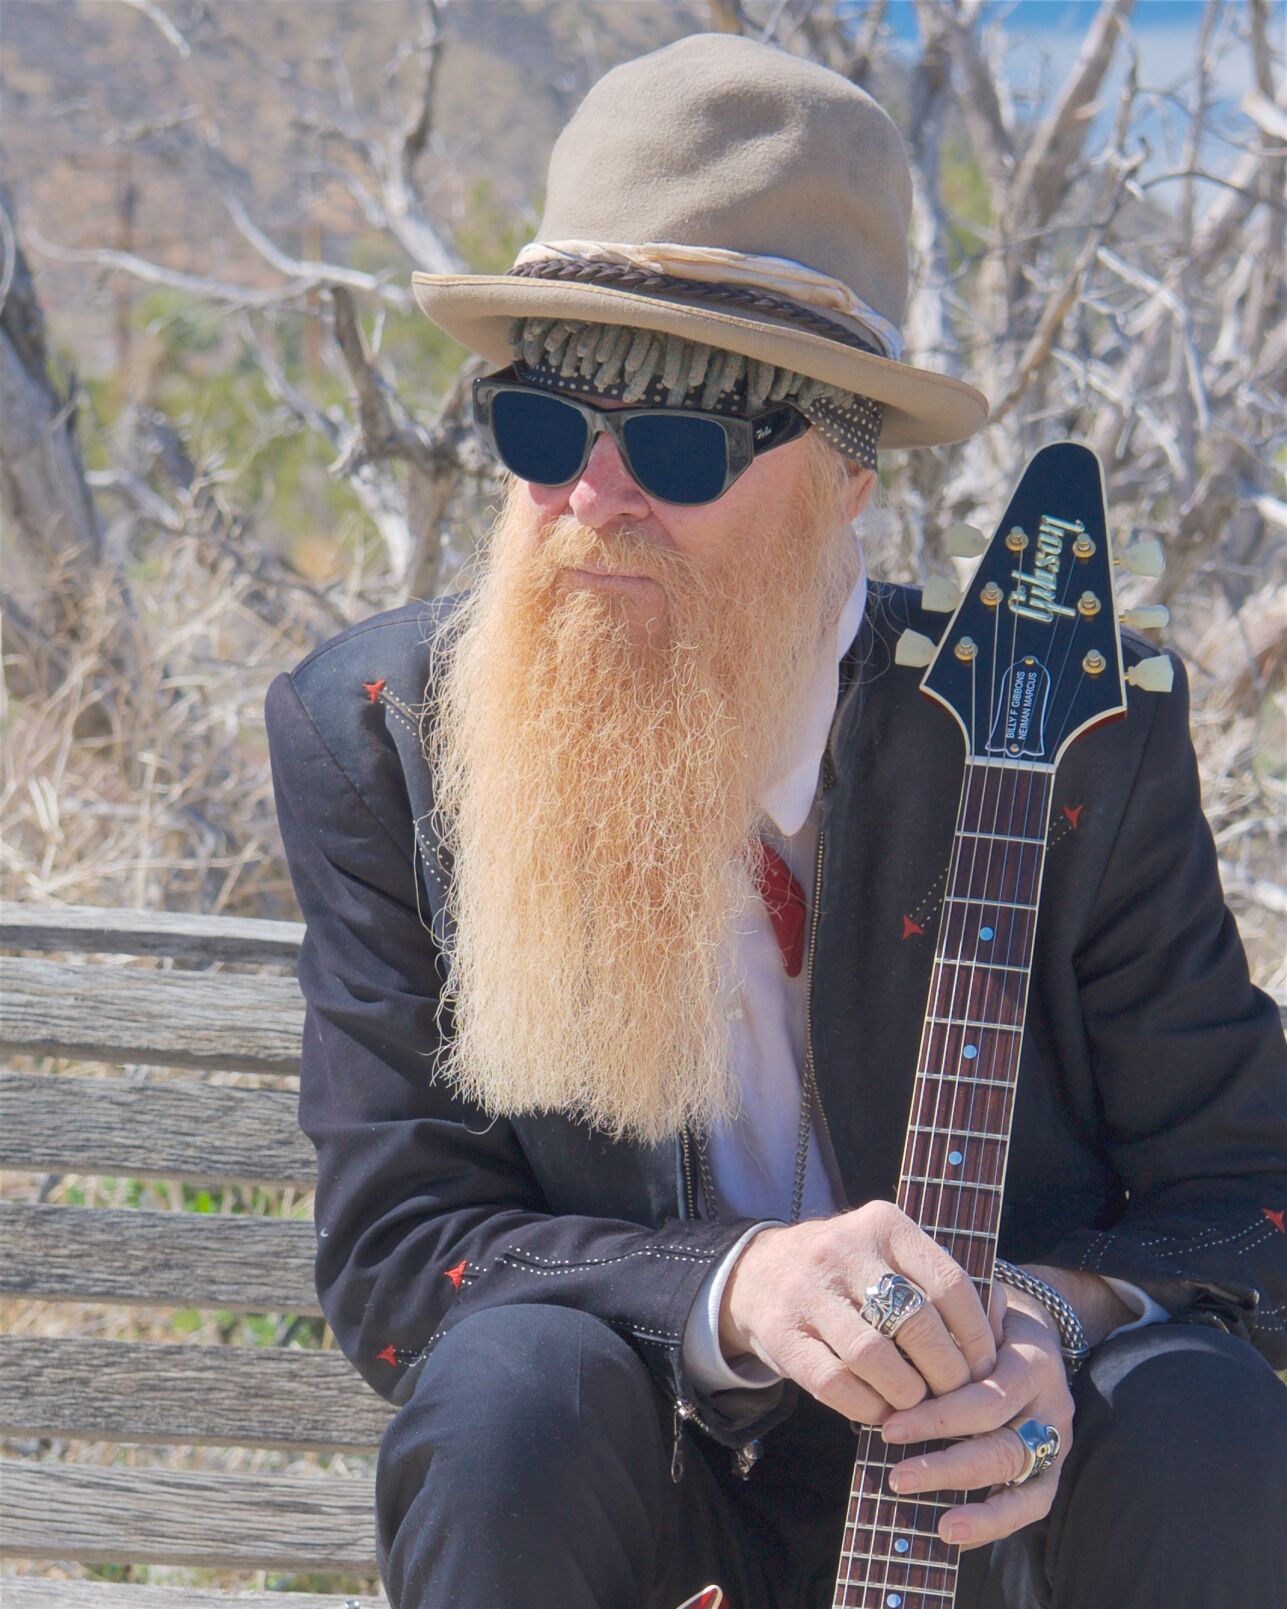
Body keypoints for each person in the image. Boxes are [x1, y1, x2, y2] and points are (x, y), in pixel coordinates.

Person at [265, 31, 1287, 1609]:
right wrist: (742, 1286)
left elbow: (1254, 1197)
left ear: (849, 475)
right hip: (648, 1477)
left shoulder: (1076, 732)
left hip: (992, 1504)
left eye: (678, 444)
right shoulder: (384, 737)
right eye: (544, 429)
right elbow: (407, 1251)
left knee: (1204, 1412)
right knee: (505, 1394)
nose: (598, 496)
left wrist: (1059, 1316)